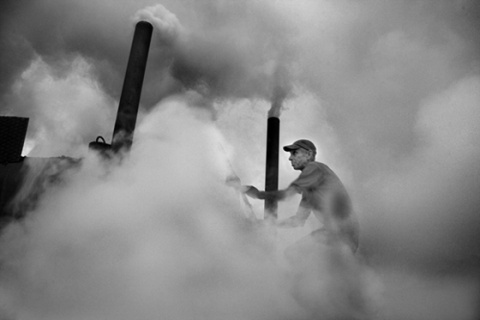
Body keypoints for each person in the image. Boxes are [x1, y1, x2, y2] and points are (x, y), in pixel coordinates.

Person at [242, 139, 359, 254]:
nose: (290, 158)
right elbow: (297, 221)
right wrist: (265, 223)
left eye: (295, 153)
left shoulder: (314, 167)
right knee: (292, 254)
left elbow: (287, 194)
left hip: (341, 231)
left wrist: (257, 194)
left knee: (293, 254)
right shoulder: (311, 190)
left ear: (308, 154)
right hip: (343, 235)